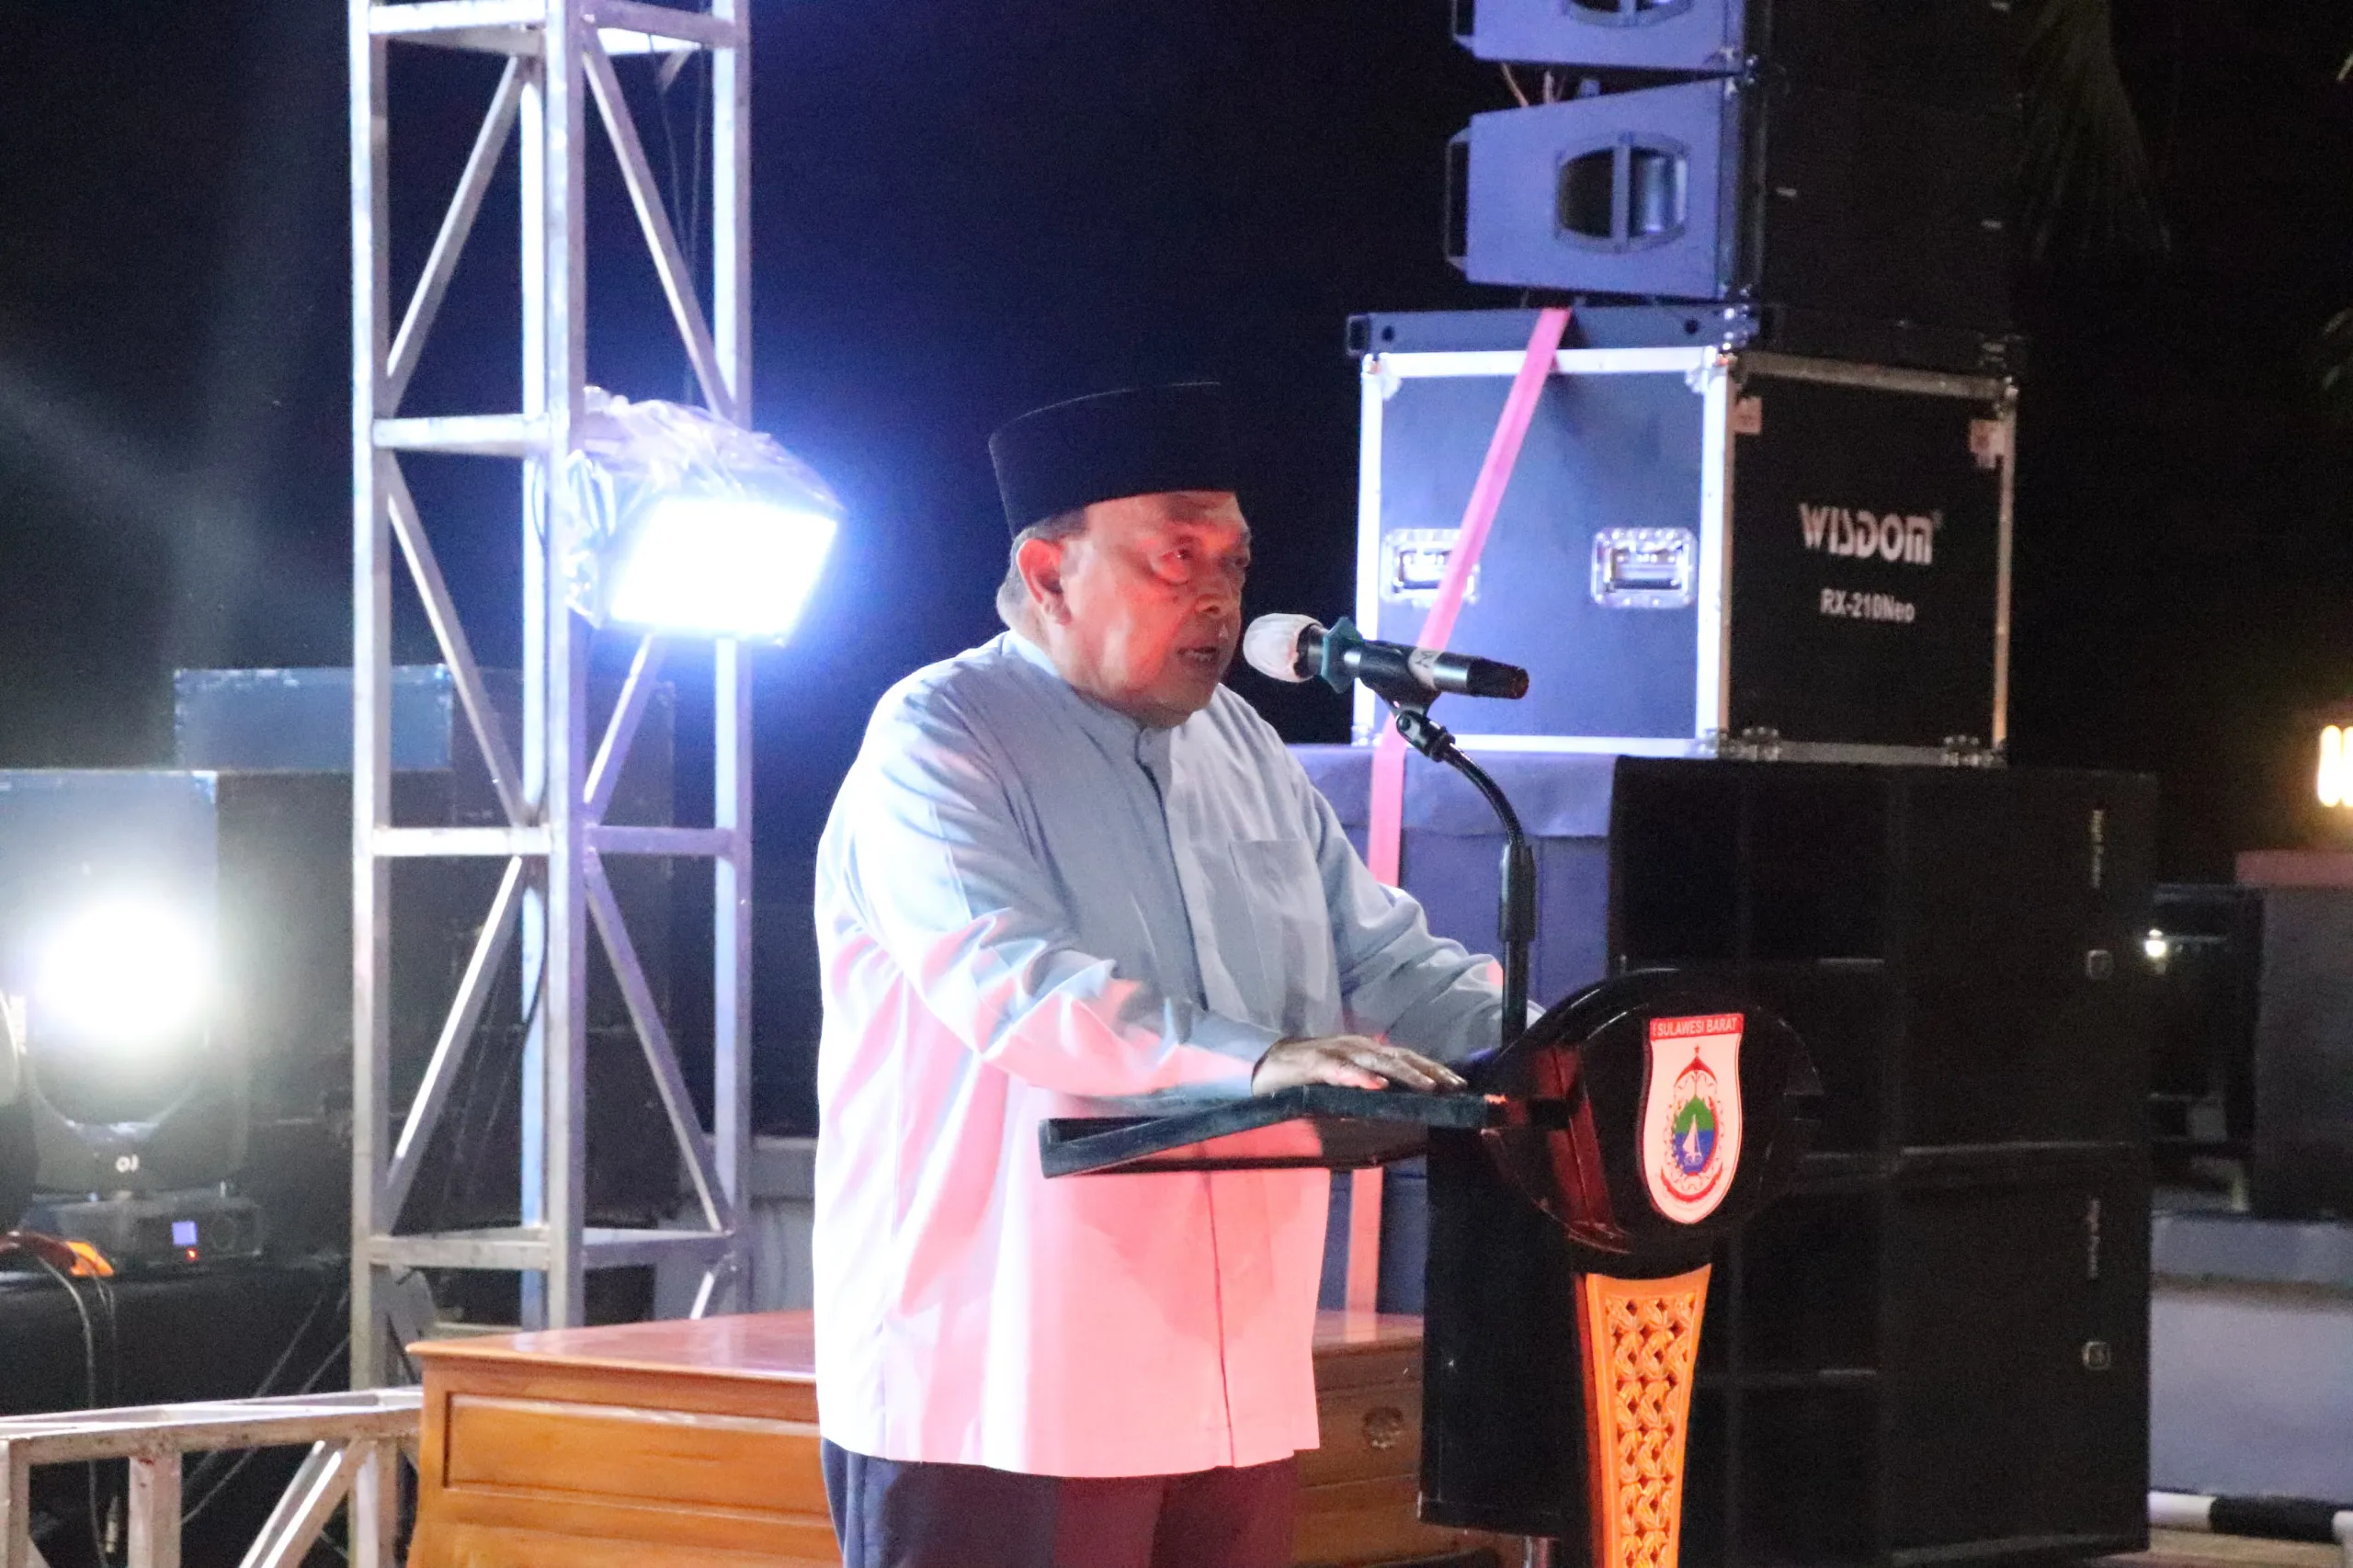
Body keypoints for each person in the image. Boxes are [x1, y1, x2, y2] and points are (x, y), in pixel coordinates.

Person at [812, 381, 1513, 1568]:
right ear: (1048, 573)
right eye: (1176, 559)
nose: (1220, 599)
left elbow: (1385, 958)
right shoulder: (940, 736)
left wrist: (1564, 1040)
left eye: (1234, 564)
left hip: (1232, 1374)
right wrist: (1263, 1062)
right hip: (1005, 1381)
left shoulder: (1244, 746)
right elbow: (1016, 983)